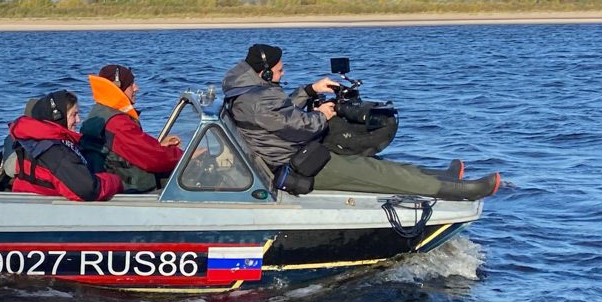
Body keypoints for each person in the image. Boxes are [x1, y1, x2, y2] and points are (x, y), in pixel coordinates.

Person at [222, 44, 500, 200]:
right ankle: (465, 191)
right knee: (379, 175)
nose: (283, 74)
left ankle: (442, 176)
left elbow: (279, 114)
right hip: (297, 167)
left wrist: (309, 90)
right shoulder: (254, 100)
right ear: (265, 72)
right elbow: (298, 125)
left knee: (374, 165)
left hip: (299, 155)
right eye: (280, 70)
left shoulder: (249, 92)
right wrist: (322, 115)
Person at [79, 64, 183, 193]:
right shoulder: (118, 123)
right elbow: (152, 159)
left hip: (116, 180)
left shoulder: (100, 112)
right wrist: (187, 156)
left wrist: (158, 145)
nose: (136, 88)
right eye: (131, 84)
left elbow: (129, 149)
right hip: (130, 189)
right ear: (118, 87)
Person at [7, 90, 123, 201]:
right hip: (42, 207)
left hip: (32, 200)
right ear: (58, 117)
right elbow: (88, 190)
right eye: (74, 115)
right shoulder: (55, 151)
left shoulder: (36, 140)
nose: (78, 120)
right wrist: (116, 181)